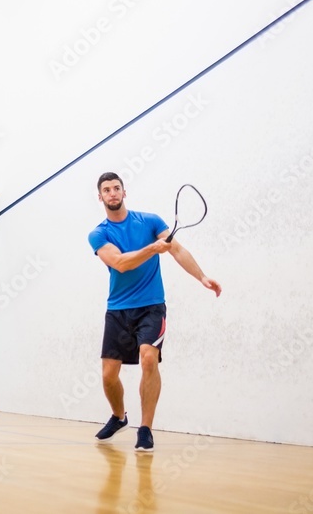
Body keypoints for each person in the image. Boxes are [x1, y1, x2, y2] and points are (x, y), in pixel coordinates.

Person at [88, 172, 221, 453]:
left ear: (125, 192)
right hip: (118, 311)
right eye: (106, 190)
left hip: (151, 307)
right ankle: (119, 416)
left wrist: (202, 278)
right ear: (100, 197)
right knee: (109, 375)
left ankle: (145, 429)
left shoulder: (150, 221)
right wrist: (152, 248)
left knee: (149, 358)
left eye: (116, 188)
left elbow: (177, 250)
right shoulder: (98, 234)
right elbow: (121, 263)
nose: (112, 193)